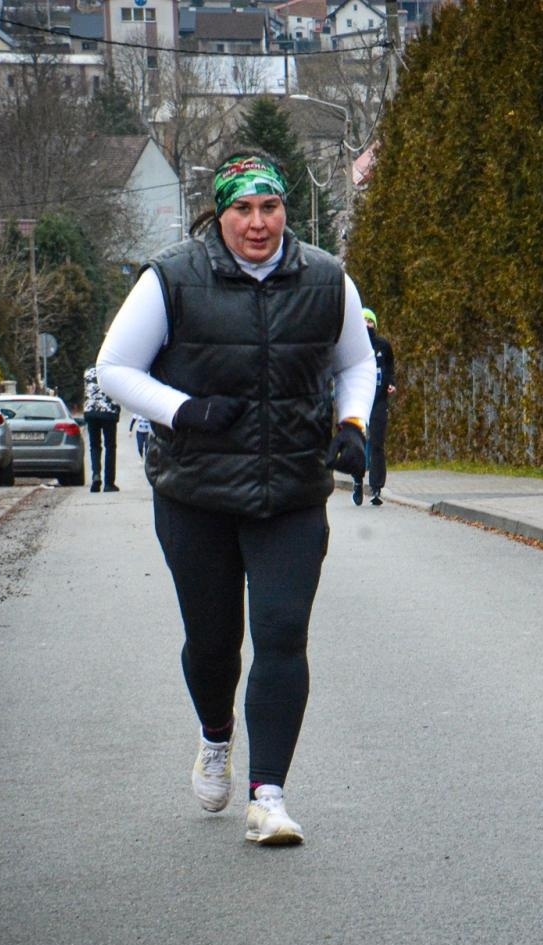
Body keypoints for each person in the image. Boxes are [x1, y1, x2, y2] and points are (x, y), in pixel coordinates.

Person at [97, 150, 373, 846]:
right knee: (215, 643)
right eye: (242, 210)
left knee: (282, 634)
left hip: (291, 491)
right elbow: (115, 368)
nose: (258, 223)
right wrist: (183, 411)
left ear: (286, 209)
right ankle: (215, 736)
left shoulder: (325, 279)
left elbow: (358, 361)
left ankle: (269, 796)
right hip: (197, 492)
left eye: (270, 207)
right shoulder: (172, 279)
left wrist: (352, 425)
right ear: (218, 214)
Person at [353, 308, 396, 506]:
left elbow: (390, 367)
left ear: (375, 326)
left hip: (378, 401)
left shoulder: (383, 346)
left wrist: (391, 383)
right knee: (359, 444)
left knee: (377, 444)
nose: (367, 325)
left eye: (370, 322)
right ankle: (357, 480)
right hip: (359, 401)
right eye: (363, 322)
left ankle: (376, 488)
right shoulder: (353, 346)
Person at [83, 365, 121, 492]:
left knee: (94, 446)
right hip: (108, 412)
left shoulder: (88, 372)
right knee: (110, 446)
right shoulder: (113, 371)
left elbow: (86, 391)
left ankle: (96, 475)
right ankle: (109, 483)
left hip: (91, 411)